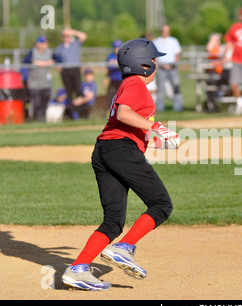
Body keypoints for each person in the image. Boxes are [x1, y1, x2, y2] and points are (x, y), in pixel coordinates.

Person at [61, 38, 180, 291]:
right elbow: (125, 114)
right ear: (144, 65)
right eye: (154, 60)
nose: (157, 64)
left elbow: (122, 122)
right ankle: (124, 248)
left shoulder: (127, 83)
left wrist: (153, 140)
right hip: (120, 150)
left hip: (105, 150)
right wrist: (158, 127)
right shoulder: (136, 84)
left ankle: (78, 269)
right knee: (161, 204)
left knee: (113, 221)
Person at [54, 28, 87, 118]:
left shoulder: (75, 44)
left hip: (75, 69)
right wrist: (58, 65)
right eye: (65, 36)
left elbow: (84, 36)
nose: (66, 38)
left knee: (78, 90)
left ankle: (82, 112)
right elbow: (56, 58)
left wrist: (72, 31)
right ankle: (73, 113)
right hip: (65, 71)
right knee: (69, 91)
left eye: (68, 36)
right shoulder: (59, 48)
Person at [153, 25, 184, 112]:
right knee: (160, 89)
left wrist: (173, 64)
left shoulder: (174, 41)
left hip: (172, 67)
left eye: (167, 31)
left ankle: (178, 107)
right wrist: (161, 64)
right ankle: (159, 108)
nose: (165, 32)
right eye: (163, 31)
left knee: (176, 87)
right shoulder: (157, 41)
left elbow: (177, 54)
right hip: (161, 67)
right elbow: (155, 56)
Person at [24, 35, 54, 122]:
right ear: (37, 44)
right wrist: (38, 63)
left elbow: (58, 59)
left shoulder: (49, 52)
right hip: (34, 83)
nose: (45, 44)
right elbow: (25, 61)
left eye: (46, 43)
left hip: (45, 82)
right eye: (43, 43)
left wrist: (49, 62)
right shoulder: (32, 52)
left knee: (46, 99)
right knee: (36, 102)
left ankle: (42, 118)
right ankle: (37, 119)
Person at [104, 39, 123, 109]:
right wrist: (105, 78)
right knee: (110, 95)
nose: (117, 49)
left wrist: (116, 62)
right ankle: (109, 109)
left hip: (121, 80)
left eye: (118, 47)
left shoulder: (123, 56)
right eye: (116, 47)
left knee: (121, 96)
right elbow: (108, 68)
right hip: (113, 79)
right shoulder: (110, 56)